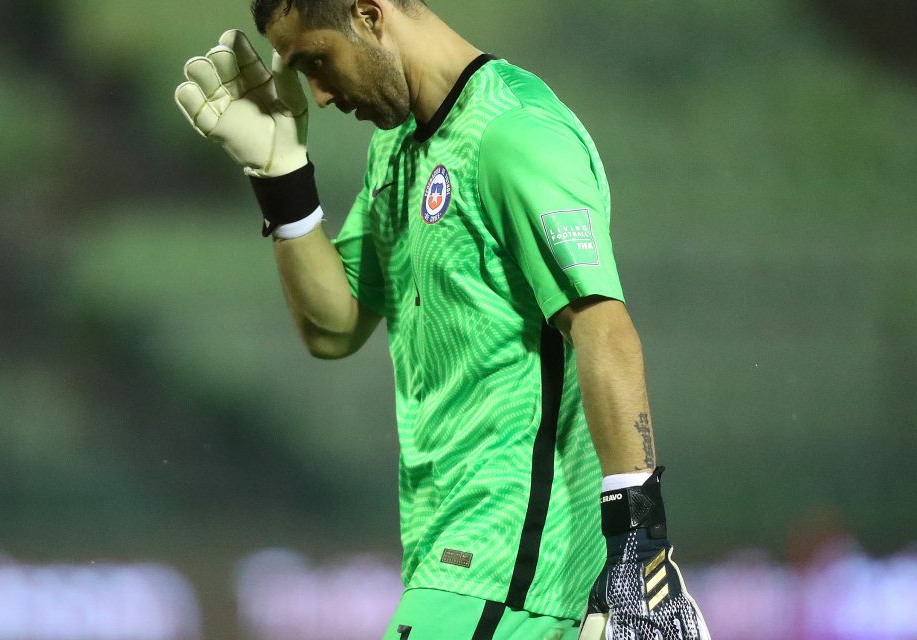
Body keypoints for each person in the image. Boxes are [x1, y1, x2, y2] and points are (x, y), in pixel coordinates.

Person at [173, 1, 711, 638]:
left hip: (510, 568)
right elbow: (334, 326)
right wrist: (282, 177)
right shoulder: (396, 148)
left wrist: (641, 547)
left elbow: (603, 326)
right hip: (454, 561)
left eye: (317, 60)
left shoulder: (514, 133)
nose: (316, 95)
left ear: (370, 15)